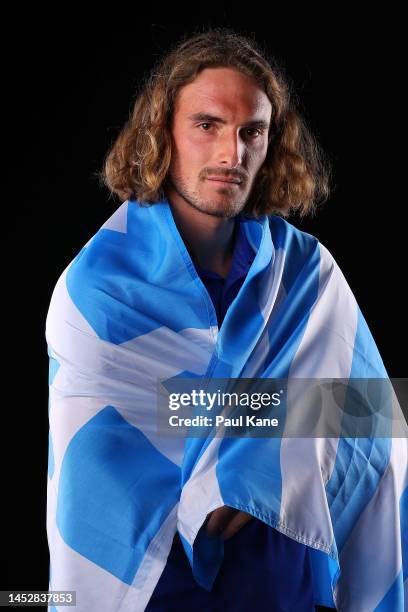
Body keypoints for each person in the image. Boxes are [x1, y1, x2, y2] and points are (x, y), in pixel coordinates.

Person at [45, 27, 407, 612]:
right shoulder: (97, 285)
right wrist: (272, 428)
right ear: (162, 132)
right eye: (207, 125)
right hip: (152, 586)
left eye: (252, 132)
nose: (230, 154)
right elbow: (98, 444)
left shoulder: (305, 271)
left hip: (275, 577)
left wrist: (240, 462)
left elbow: (372, 410)